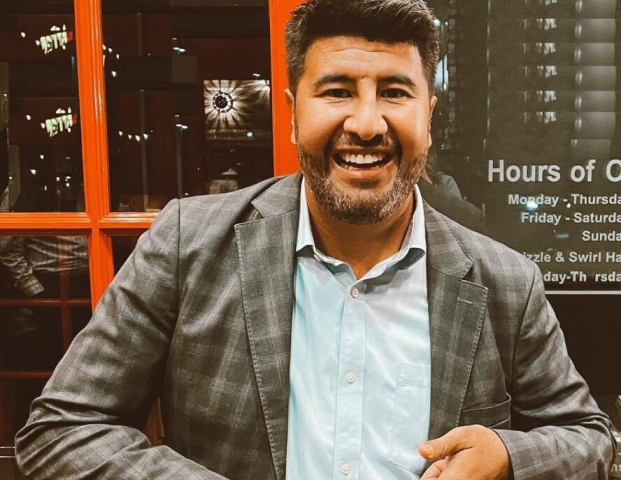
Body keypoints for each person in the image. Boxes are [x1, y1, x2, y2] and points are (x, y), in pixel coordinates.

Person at [15, 1, 615, 479]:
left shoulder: (505, 280)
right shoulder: (185, 245)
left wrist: (508, 456)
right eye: (336, 91)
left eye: (395, 92)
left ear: (428, 117)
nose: (367, 123)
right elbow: (61, 431)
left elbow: (591, 441)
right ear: (292, 112)